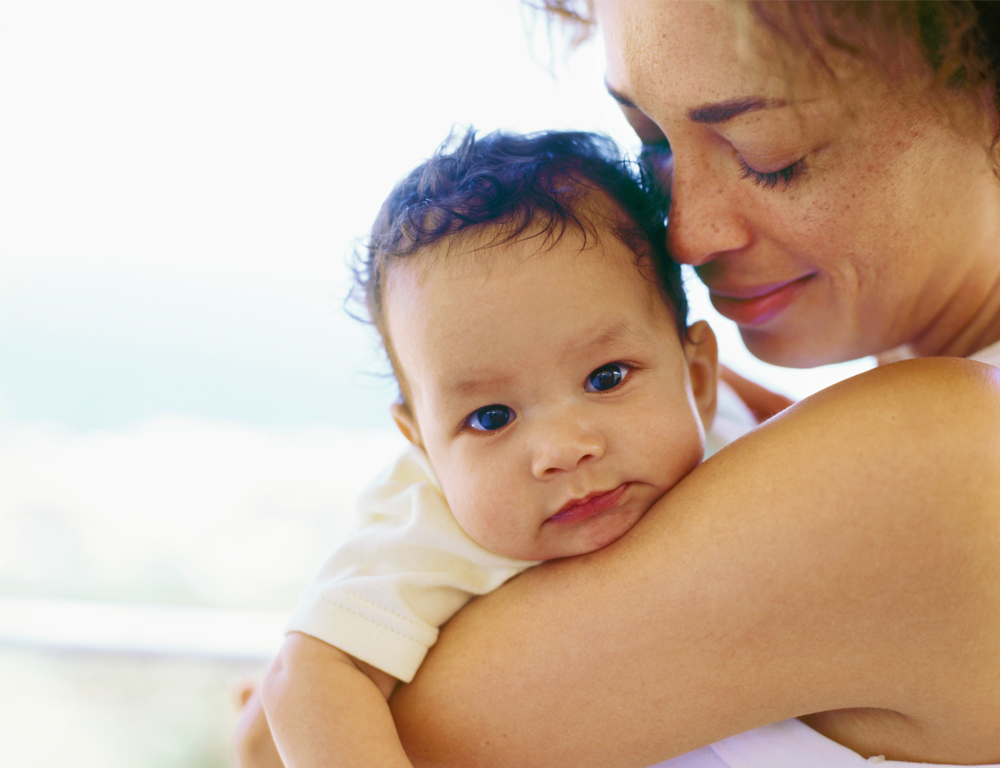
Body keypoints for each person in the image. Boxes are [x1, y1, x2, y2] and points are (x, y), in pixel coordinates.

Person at [238, 2, 1000, 767]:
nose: (683, 234)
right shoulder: (756, 421)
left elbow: (268, 750)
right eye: (654, 148)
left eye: (767, 152)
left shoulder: (937, 461)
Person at [255, 128, 759, 768]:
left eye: (607, 378)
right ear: (424, 446)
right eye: (491, 417)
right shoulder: (430, 526)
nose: (563, 449)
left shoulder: (734, 430)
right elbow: (304, 678)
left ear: (699, 379)